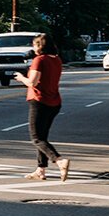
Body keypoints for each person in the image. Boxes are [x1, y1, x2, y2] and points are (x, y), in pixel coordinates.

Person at [17, 33, 70, 181]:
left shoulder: (39, 60)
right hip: (54, 102)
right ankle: (41, 170)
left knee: (36, 138)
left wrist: (21, 77)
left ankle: (59, 160)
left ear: (40, 46)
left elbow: (32, 83)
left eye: (34, 44)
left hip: (39, 101)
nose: (33, 47)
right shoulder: (57, 60)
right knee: (43, 137)